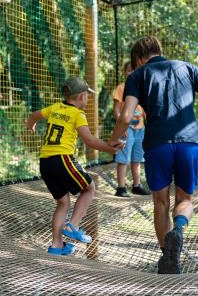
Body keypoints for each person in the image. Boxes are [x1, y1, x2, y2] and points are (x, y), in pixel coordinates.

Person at [108, 36, 198, 274]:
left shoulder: (136, 76)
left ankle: (168, 259)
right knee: (185, 201)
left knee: (160, 203)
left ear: (138, 59)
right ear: (160, 50)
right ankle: (178, 230)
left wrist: (113, 140)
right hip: (189, 143)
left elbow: (126, 117)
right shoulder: (187, 68)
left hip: (157, 145)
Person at [24, 76, 125, 256]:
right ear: (82, 97)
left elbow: (34, 115)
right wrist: (110, 149)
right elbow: (89, 140)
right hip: (62, 158)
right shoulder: (78, 115)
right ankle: (73, 226)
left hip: (45, 162)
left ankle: (56, 244)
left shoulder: (55, 107)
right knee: (89, 188)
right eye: (87, 94)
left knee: (63, 203)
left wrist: (30, 125)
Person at [113, 61, 150, 197]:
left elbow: (144, 110)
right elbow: (117, 110)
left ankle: (136, 185)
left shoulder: (141, 88)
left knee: (137, 158)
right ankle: (121, 187)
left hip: (140, 129)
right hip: (126, 129)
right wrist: (121, 127)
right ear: (124, 73)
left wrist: (149, 122)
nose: (132, 73)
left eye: (135, 70)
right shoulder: (121, 88)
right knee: (124, 157)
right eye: (129, 70)